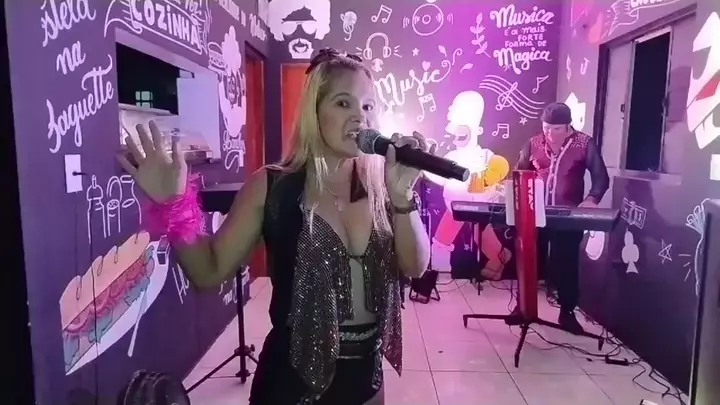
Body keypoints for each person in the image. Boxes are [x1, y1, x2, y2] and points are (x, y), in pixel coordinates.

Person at [117, 48, 433, 405]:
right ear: (315, 111)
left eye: (368, 105)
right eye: (343, 103)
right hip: (289, 385)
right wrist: (174, 204)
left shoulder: (384, 188)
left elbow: (415, 266)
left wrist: (403, 195)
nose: (361, 116)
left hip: (365, 381)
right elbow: (208, 271)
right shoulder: (271, 187)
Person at [515, 102, 609, 333]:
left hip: (568, 216)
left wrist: (592, 199)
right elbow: (519, 173)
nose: (549, 134)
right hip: (535, 214)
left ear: (568, 127)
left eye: (555, 129)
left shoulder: (584, 143)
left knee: (567, 263)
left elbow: (601, 177)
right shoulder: (533, 143)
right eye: (546, 128)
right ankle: (521, 307)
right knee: (528, 259)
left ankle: (567, 312)